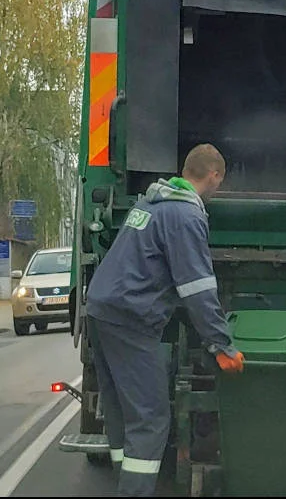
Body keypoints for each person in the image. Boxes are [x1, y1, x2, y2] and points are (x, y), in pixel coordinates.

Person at [85, 143, 245, 497]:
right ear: (214, 175)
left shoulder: (151, 203)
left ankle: (125, 483)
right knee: (151, 418)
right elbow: (197, 288)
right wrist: (221, 344)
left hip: (100, 309)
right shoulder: (186, 215)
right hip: (130, 318)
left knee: (120, 411)